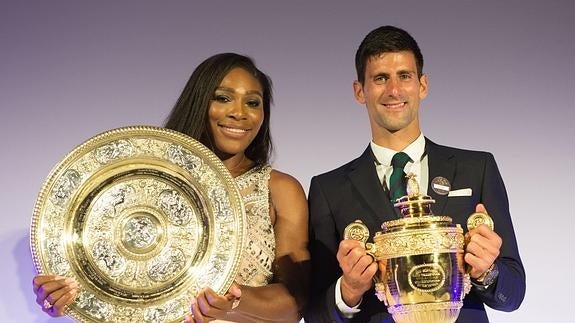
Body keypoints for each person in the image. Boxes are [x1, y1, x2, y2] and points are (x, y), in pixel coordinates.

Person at [32, 53, 310, 323]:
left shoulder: (280, 190)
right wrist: (66, 297)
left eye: (253, 102)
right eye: (223, 98)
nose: (239, 113)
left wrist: (232, 301)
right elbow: (108, 286)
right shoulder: (141, 175)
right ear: (199, 103)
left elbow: (294, 305)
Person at [304, 25, 525, 322]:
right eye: (380, 78)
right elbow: (315, 313)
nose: (394, 90)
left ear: (422, 85)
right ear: (360, 91)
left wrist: (489, 271)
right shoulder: (329, 189)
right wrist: (348, 291)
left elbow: (514, 293)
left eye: (404, 76)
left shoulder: (477, 169)